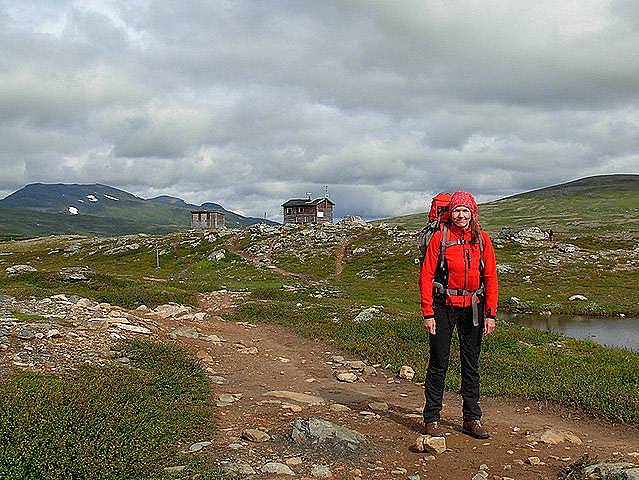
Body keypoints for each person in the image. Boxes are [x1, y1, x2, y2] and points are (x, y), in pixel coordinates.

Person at [418, 191, 498, 439]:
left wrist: (491, 314)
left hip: (473, 306)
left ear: (473, 213)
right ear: (450, 213)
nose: (461, 215)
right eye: (457, 211)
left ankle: (471, 418)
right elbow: (426, 276)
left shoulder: (482, 239)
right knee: (438, 363)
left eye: (465, 210)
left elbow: (491, 277)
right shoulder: (440, 238)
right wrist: (428, 313)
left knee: (471, 364)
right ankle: (432, 418)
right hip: (443, 306)